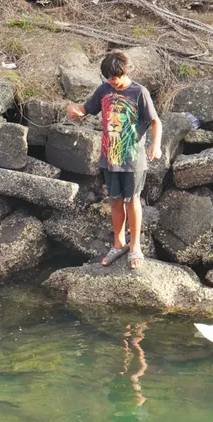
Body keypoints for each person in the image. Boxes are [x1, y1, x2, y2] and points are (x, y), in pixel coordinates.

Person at [67, 50, 162, 269]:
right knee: (115, 201)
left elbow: (156, 121)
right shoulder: (103, 90)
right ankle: (118, 244)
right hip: (109, 158)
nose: (111, 82)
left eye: (115, 78)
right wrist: (74, 110)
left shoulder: (139, 92)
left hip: (133, 160)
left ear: (124, 73)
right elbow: (86, 109)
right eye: (108, 79)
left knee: (133, 200)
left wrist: (155, 145)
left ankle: (135, 246)